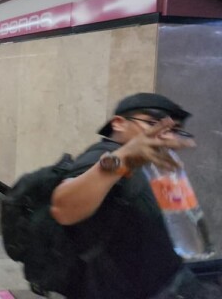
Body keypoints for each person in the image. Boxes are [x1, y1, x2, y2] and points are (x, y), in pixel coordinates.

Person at [50, 93, 221, 298]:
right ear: (119, 123)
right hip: (127, 288)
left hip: (165, 277)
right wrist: (121, 160)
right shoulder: (101, 157)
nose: (165, 135)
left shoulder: (151, 161)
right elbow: (63, 208)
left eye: (173, 130)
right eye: (152, 124)